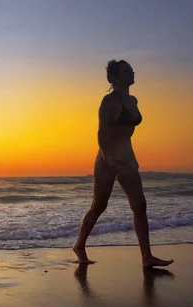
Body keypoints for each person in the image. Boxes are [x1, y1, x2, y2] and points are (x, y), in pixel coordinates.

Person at [73, 59, 174, 268]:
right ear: (115, 77)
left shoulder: (134, 100)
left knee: (140, 205)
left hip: (127, 155)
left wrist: (130, 157)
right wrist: (107, 157)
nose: (132, 72)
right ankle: (79, 245)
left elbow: (127, 133)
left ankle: (147, 257)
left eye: (132, 69)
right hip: (108, 157)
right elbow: (101, 133)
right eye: (127, 70)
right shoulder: (108, 101)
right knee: (99, 206)